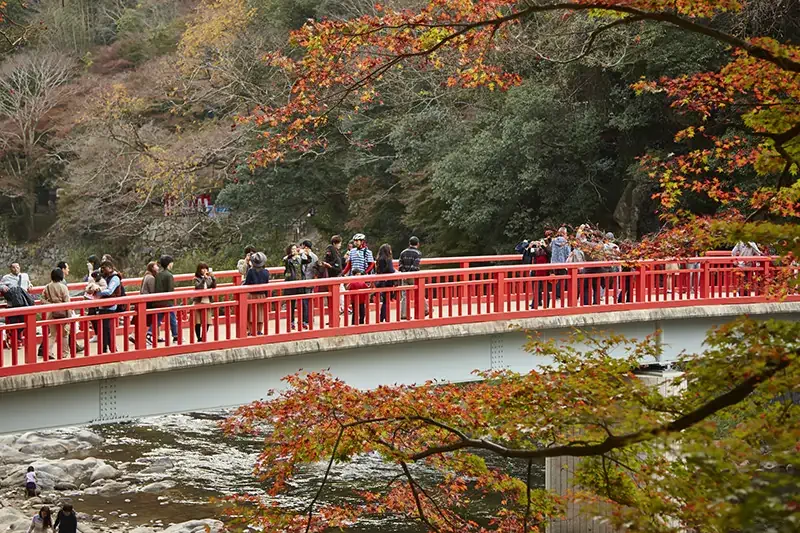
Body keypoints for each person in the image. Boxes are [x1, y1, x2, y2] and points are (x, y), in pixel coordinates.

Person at [40, 268, 72, 360]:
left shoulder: (47, 287)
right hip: (63, 312)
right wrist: (69, 317)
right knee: (64, 334)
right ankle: (64, 353)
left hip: (51, 313)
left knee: (52, 334)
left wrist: (51, 305)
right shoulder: (63, 287)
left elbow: (42, 299)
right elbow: (67, 302)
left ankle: (48, 351)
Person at [95, 261, 125, 353]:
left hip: (110, 306)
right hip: (103, 305)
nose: (102, 270)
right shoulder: (106, 277)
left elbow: (109, 291)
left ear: (110, 268)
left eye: (104, 268)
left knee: (107, 328)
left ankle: (111, 348)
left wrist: (97, 292)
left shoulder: (115, 278)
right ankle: (106, 348)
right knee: (103, 328)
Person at [128, 262, 159, 344]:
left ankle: (134, 335)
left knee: (142, 319)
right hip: (148, 301)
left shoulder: (146, 276)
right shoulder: (151, 278)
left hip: (143, 299)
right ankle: (141, 336)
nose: (158, 267)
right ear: (152, 267)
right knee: (148, 320)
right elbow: (152, 291)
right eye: (156, 266)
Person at [151, 255, 178, 344]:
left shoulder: (158, 274)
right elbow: (170, 290)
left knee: (157, 319)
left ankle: (149, 333)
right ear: (169, 264)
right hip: (167, 301)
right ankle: (176, 335)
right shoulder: (169, 275)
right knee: (172, 318)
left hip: (158, 300)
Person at [398, 236, 426, 319]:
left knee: (404, 296)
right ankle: (425, 309)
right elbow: (415, 266)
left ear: (409, 243)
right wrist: (410, 274)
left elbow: (400, 265)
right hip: (414, 276)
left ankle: (404, 314)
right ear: (418, 244)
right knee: (419, 292)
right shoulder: (417, 253)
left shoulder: (403, 252)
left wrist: (405, 273)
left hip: (404, 275)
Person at [282, 245, 309, 330]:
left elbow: (309, 260)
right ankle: (291, 322)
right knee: (291, 304)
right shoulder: (288, 260)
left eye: (295, 249)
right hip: (291, 283)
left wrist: (306, 254)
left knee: (302, 303)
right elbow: (284, 260)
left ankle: (303, 321)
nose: (294, 250)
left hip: (300, 283)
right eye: (292, 249)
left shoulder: (300, 258)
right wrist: (291, 255)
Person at [244, 252, 269, 335]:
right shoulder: (266, 272)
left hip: (252, 295)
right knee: (260, 313)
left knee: (250, 313)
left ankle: (251, 331)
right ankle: (259, 330)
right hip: (262, 295)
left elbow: (247, 283)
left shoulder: (251, 271)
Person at [193, 262, 217, 341]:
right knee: (198, 321)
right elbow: (198, 287)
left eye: (206, 268)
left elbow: (213, 286)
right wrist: (203, 279)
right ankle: (198, 337)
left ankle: (203, 336)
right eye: (202, 268)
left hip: (207, 300)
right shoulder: (195, 278)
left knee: (207, 321)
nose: (204, 270)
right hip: (198, 301)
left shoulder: (209, 278)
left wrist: (213, 278)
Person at [299, 240, 319, 328]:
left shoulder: (310, 257)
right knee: (308, 301)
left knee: (305, 301)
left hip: (306, 280)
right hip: (309, 280)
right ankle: (309, 318)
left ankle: (306, 319)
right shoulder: (315, 257)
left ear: (306, 247)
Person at [375, 244, 396, 322]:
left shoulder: (378, 259)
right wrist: (396, 272)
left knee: (384, 300)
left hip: (381, 282)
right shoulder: (388, 259)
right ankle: (384, 317)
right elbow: (391, 270)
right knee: (386, 301)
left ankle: (382, 317)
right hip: (387, 282)